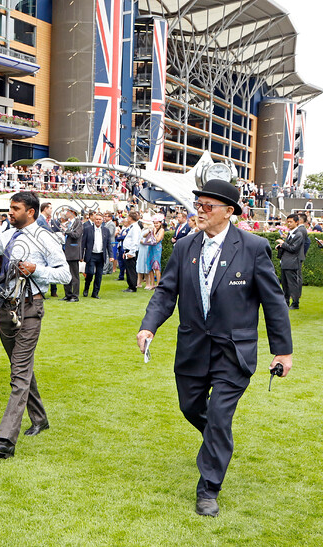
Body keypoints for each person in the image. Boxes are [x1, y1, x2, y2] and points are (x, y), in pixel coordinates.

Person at [137, 179, 292, 518]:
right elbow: (165, 293)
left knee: (219, 418)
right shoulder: (184, 247)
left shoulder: (252, 247)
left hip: (233, 352)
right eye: (198, 206)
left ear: (229, 212)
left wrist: (282, 351)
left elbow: (274, 301)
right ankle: (218, 442)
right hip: (192, 347)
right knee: (191, 407)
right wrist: (149, 325)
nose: (200, 212)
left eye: (208, 206)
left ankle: (209, 488)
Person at [0, 192, 71, 458]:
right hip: (5, 308)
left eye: (16, 209)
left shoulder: (45, 238)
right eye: (10, 208)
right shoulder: (8, 235)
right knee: (20, 366)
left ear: (31, 212)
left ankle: (5, 440)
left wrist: (35, 268)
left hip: (29, 308)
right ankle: (40, 419)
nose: (10, 212)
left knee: (19, 373)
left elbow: (64, 273)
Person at [275, 213, 306, 310]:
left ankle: (295, 303)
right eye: (287, 222)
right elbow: (289, 247)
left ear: (297, 222)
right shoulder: (291, 233)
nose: (288, 224)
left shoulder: (298, 234)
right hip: (286, 262)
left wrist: (283, 243)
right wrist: (280, 247)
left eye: (291, 222)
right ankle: (286, 302)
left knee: (292, 284)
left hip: (292, 262)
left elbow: (294, 249)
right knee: (285, 285)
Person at [80, 211, 113, 299]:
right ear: (94, 220)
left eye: (100, 219)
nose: (98, 221)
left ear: (102, 220)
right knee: (90, 273)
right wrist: (81, 255)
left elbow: (108, 244)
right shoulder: (88, 229)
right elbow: (83, 243)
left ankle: (95, 293)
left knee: (99, 275)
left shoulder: (106, 230)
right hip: (91, 255)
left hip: (101, 255)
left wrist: (111, 256)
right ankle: (86, 288)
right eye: (97, 219)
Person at [36, 202, 60, 298]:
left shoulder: (47, 220)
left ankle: (52, 291)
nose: (51, 210)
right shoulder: (39, 220)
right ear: (45, 209)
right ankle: (41, 291)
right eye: (50, 208)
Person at [60, 207, 83, 302]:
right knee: (66, 273)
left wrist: (66, 230)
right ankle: (68, 294)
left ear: (72, 212)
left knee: (74, 275)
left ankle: (75, 295)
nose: (66, 213)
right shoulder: (69, 223)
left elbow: (76, 235)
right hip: (66, 251)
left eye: (68, 211)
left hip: (73, 251)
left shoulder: (78, 222)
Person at [120, 210, 141, 292]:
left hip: (131, 251)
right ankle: (130, 285)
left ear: (130, 218)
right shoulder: (132, 227)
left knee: (131, 269)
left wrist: (131, 252)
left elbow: (135, 241)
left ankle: (133, 286)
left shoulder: (135, 228)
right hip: (128, 250)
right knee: (128, 269)